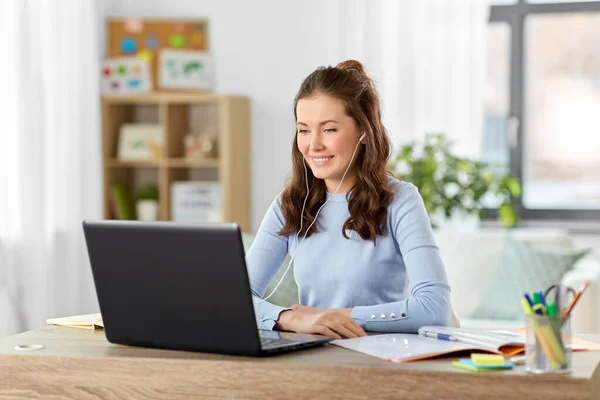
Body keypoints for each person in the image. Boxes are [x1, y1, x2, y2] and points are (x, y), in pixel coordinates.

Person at [246, 60, 452, 339]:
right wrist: (291, 319)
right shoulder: (290, 203)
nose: (313, 144)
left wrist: (338, 317)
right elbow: (235, 300)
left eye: (329, 129)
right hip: (312, 359)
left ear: (364, 131)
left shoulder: (400, 201)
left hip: (380, 362)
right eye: (304, 130)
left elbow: (434, 308)